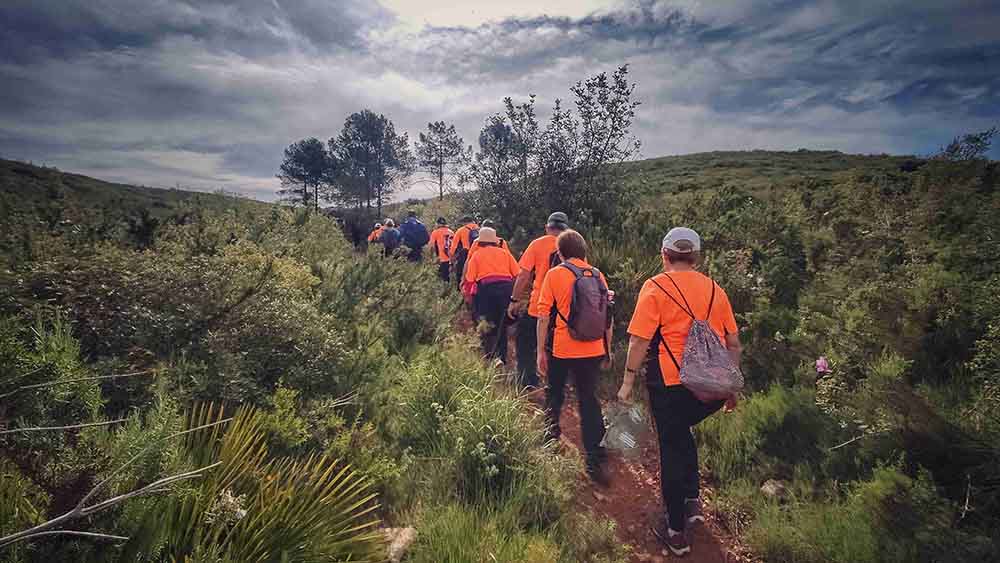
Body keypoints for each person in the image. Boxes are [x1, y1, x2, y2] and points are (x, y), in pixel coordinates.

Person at [616, 227, 742, 557]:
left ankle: (675, 531)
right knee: (683, 434)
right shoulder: (716, 289)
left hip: (672, 386)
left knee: (670, 447)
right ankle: (692, 500)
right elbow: (733, 344)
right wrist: (731, 387)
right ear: (696, 257)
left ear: (664, 255)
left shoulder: (655, 286)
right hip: (709, 391)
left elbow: (639, 340)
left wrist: (628, 382)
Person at [536, 229, 612, 483]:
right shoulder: (598, 275)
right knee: (589, 400)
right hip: (593, 348)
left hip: (563, 348)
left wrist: (539, 351)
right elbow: (607, 318)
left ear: (561, 252)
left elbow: (544, 315)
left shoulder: (555, 274)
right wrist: (607, 349)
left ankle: (549, 439)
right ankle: (596, 457)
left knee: (555, 393)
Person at [508, 212, 569, 389]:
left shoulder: (537, 244)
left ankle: (527, 382)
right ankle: (555, 384)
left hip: (539, 307)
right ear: (566, 228)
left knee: (525, 344)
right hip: (563, 311)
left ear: (547, 227)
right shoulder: (574, 247)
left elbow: (524, 275)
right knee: (554, 349)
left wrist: (514, 299)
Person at [464, 227, 519, 364]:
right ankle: (502, 357)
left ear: (480, 241)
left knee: (487, 322)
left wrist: (469, 297)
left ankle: (490, 356)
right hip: (506, 289)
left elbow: (470, 279)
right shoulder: (505, 253)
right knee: (502, 323)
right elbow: (517, 274)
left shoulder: (476, 255)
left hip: (486, 290)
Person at [451, 215, 480, 291]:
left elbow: (453, 247)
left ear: (464, 222)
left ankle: (461, 291)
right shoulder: (479, 229)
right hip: (478, 254)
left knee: (461, 273)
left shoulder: (461, 230)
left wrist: (452, 259)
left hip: (465, 254)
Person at [428, 217, 454, 282]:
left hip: (442, 258)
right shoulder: (451, 232)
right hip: (452, 258)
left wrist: (431, 257)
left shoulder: (435, 232)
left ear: (438, 224)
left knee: (442, 278)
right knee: (449, 277)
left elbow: (431, 246)